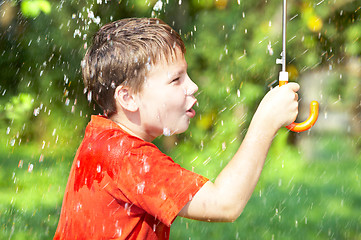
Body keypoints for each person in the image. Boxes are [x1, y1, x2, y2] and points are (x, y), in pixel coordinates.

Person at [54, 18, 299, 240]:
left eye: (187, 75)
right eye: (176, 79)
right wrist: (265, 122)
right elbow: (225, 203)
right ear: (128, 97)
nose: (192, 86)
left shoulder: (101, 140)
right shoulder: (129, 158)